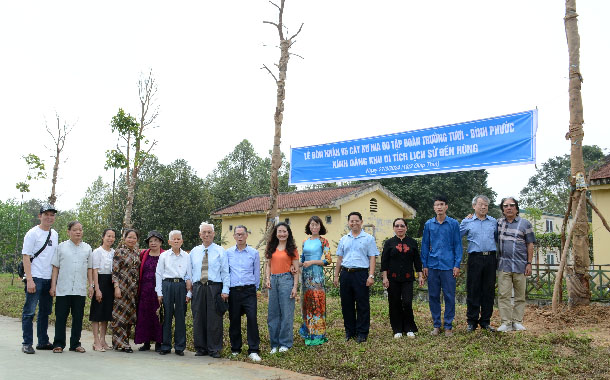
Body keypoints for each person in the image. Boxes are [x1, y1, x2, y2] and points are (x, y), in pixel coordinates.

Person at [333, 211, 379, 343]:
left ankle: (362, 333)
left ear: (361, 222)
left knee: (362, 304)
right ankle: (350, 331)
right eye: (351, 221)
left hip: (361, 274)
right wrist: (336, 276)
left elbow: (372, 258)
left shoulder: (368, 238)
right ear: (348, 223)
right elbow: (339, 259)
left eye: (357, 221)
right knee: (346, 304)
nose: (354, 223)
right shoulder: (344, 239)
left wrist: (371, 275)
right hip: (346, 274)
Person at [421, 195, 462, 337]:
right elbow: (425, 245)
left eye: (442, 204)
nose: (439, 207)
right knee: (433, 296)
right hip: (432, 265)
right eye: (437, 205)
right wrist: (424, 264)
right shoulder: (428, 225)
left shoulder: (453, 224)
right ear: (434, 207)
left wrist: (457, 264)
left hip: (448, 266)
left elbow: (458, 245)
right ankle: (437, 325)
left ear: (446, 207)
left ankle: (449, 325)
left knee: (449, 296)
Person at [20, 203, 59, 354]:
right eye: (46, 214)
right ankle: (27, 342)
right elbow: (26, 257)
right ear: (40, 216)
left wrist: (53, 282)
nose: (49, 217)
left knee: (45, 311)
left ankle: (42, 341)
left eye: (52, 215)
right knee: (29, 311)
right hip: (35, 277)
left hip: (48, 278)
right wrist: (29, 279)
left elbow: (54, 258)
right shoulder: (32, 234)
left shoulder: (54, 234)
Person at [50, 221, 93, 353]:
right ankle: (58, 343)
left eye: (80, 229)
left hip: (79, 289)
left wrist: (91, 286)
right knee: (61, 317)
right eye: (75, 230)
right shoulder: (61, 247)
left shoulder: (87, 248)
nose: (78, 232)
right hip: (63, 288)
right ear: (68, 231)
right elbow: (55, 268)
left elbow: (90, 269)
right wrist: (53, 286)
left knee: (78, 318)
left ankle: (75, 344)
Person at [189, 222, 230, 358]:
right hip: (198, 287)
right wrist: (189, 290)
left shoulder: (220, 251)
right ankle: (201, 348)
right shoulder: (194, 252)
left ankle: (214, 349)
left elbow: (225, 272)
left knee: (214, 319)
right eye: (204, 232)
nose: (207, 235)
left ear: (214, 234)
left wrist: (225, 290)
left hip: (214, 287)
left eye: (209, 232)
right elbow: (189, 272)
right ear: (200, 235)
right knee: (198, 317)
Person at [496, 197, 535, 332]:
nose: (509, 208)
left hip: (520, 266)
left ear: (517, 208)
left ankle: (517, 322)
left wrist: (529, 263)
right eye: (506, 206)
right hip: (503, 265)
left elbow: (530, 244)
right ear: (502, 209)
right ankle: (506, 323)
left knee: (520, 296)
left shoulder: (525, 224)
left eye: (512, 205)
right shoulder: (498, 223)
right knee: (503, 295)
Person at [460, 195, 497, 332]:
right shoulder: (467, 221)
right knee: (473, 289)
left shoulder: (493, 222)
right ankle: (472, 321)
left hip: (490, 258)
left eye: (486, 205)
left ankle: (486, 321)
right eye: (481, 204)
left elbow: (497, 238)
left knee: (488, 290)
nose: (483, 207)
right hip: (475, 258)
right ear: (474, 206)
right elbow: (457, 237)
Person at [381, 218, 423, 339]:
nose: (400, 228)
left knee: (407, 302)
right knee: (394, 303)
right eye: (397, 226)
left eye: (402, 226)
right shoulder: (389, 243)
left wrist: (420, 275)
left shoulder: (412, 242)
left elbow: (417, 261)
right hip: (392, 278)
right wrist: (385, 278)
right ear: (394, 228)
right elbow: (384, 261)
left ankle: (409, 328)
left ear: (406, 228)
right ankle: (397, 329)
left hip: (408, 278)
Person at [226, 225, 261, 362]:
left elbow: (256, 273)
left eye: (242, 234)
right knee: (234, 320)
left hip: (249, 291)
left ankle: (253, 350)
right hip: (234, 291)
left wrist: (254, 288)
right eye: (237, 234)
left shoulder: (254, 253)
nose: (240, 237)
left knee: (252, 319)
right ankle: (235, 348)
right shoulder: (228, 253)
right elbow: (226, 272)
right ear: (234, 236)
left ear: (247, 235)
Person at [155, 230, 192, 356]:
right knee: (167, 316)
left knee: (180, 316)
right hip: (167, 285)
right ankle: (165, 345)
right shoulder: (164, 256)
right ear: (170, 241)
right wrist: (159, 292)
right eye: (173, 239)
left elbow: (190, 275)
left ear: (182, 241)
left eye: (178, 239)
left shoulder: (187, 256)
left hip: (181, 285)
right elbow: (159, 274)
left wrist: (189, 294)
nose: (176, 241)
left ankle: (179, 346)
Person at [265, 222, 299, 353]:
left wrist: (295, 287)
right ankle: (274, 344)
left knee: (286, 313)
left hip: (286, 280)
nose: (282, 234)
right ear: (276, 233)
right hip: (273, 280)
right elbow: (268, 265)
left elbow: (296, 269)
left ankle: (285, 343)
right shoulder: (271, 247)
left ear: (288, 233)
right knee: (273, 313)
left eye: (284, 231)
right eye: (279, 231)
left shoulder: (292, 248)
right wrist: (267, 279)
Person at [298, 216, 332, 346]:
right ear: (309, 226)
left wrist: (312, 262)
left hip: (317, 276)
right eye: (312, 225)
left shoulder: (324, 241)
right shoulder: (305, 241)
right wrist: (295, 265)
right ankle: (308, 333)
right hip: (305, 276)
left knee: (317, 304)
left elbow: (328, 260)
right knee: (306, 304)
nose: (314, 227)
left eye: (316, 225)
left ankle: (318, 335)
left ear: (320, 226)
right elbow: (302, 259)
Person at [134, 230, 165, 352]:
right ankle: (146, 342)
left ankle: (159, 342)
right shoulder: (144, 254)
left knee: (159, 316)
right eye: (150, 241)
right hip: (145, 290)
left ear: (161, 242)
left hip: (159, 291)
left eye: (156, 241)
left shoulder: (165, 255)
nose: (153, 243)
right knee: (144, 315)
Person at [112, 228, 140, 353]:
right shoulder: (119, 252)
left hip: (133, 290)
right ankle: (120, 343)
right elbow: (115, 271)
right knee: (119, 316)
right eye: (129, 237)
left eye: (134, 238)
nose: (131, 240)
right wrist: (116, 287)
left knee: (129, 316)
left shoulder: (137, 253)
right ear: (124, 238)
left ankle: (124, 341)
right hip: (122, 288)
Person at [89, 228, 116, 352]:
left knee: (106, 313)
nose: (110, 238)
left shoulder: (114, 252)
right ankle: (96, 341)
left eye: (112, 236)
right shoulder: (97, 252)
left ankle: (103, 339)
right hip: (100, 282)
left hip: (110, 283)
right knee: (97, 313)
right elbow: (94, 270)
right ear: (103, 237)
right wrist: (96, 289)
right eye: (108, 236)